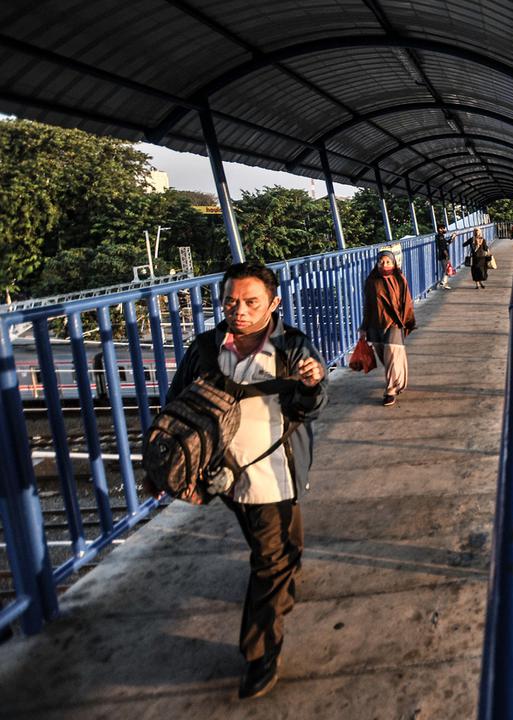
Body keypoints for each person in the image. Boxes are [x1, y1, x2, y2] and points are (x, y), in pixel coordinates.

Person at [158, 262, 328, 700]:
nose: (240, 311)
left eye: (252, 302)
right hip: (226, 473)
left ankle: (260, 651)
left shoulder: (291, 346)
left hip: (275, 471)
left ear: (273, 304)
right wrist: (176, 470)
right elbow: (176, 406)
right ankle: (264, 640)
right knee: (273, 551)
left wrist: (311, 384)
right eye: (231, 301)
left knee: (273, 553)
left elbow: (310, 406)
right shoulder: (206, 347)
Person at [360, 249, 417, 405]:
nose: (384, 264)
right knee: (385, 356)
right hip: (375, 323)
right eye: (381, 261)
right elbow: (368, 305)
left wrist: (406, 321)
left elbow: (407, 302)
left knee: (391, 352)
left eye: (388, 262)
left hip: (394, 323)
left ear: (394, 263)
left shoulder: (400, 279)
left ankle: (390, 390)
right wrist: (364, 326)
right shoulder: (371, 281)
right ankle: (399, 378)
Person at [434, 224, 452, 290]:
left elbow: (446, 243)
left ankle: (444, 284)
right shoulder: (440, 237)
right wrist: (446, 255)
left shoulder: (441, 236)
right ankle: (442, 283)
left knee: (446, 269)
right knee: (446, 270)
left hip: (443, 255)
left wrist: (452, 238)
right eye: (444, 228)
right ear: (440, 229)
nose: (445, 230)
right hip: (443, 256)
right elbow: (442, 247)